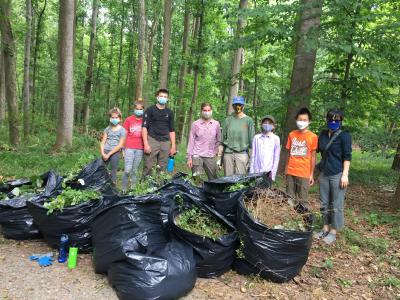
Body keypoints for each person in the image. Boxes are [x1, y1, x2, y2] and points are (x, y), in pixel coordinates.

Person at [314, 108, 352, 245]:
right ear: (327, 119)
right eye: (331, 119)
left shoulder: (345, 136)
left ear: (341, 121)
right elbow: (315, 150)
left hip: (338, 174)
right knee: (324, 202)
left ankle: (333, 232)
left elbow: (347, 157)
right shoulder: (323, 134)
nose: (333, 121)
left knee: (336, 203)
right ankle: (325, 228)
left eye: (337, 119)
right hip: (324, 173)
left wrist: (345, 175)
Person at [285, 107, 318, 205]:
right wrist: (286, 168)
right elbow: (288, 153)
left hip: (304, 173)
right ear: (296, 120)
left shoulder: (313, 137)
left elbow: (313, 156)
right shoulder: (291, 134)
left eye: (305, 120)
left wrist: (311, 174)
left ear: (309, 121)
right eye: (300, 120)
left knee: (303, 201)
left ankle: (303, 218)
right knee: (290, 198)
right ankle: (290, 217)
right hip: (291, 171)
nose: (302, 122)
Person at [142, 88, 176, 177]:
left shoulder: (170, 112)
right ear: (157, 97)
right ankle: (144, 188)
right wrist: (146, 144)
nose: (163, 98)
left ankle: (159, 187)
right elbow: (144, 128)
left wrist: (173, 146)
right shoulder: (150, 110)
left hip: (165, 141)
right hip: (152, 139)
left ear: (167, 99)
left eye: (165, 97)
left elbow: (172, 130)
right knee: (148, 166)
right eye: (161, 96)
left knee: (162, 167)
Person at [187, 103, 222, 180]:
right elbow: (191, 141)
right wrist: (189, 158)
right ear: (201, 111)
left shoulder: (216, 124)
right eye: (205, 110)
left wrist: (216, 151)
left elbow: (219, 139)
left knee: (214, 179)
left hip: (210, 155)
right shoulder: (195, 124)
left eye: (209, 110)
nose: (207, 112)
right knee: (196, 179)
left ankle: (212, 192)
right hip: (197, 155)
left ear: (211, 111)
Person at [222, 96, 255, 176]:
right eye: (236, 104)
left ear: (243, 106)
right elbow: (222, 139)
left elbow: (252, 141)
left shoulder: (248, 121)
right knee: (227, 178)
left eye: (239, 104)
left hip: (242, 153)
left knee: (240, 180)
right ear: (233, 106)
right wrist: (219, 157)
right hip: (228, 153)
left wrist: (251, 159)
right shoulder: (228, 120)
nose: (238, 107)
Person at [122, 101, 145, 191]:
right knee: (127, 169)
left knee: (135, 170)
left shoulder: (145, 120)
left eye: (140, 109)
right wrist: (122, 149)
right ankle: (123, 188)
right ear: (134, 109)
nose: (139, 110)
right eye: (137, 109)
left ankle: (133, 189)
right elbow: (124, 134)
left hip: (140, 148)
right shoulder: (128, 120)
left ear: (143, 110)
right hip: (129, 148)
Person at [100, 107, 126, 185]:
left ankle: (113, 186)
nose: (114, 119)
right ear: (110, 118)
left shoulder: (122, 130)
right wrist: (103, 153)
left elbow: (120, 145)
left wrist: (109, 154)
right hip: (105, 151)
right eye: (112, 117)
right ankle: (101, 184)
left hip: (115, 152)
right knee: (102, 169)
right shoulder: (107, 129)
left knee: (113, 170)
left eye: (116, 117)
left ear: (120, 118)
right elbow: (102, 143)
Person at [249, 115, 280, 181]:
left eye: (269, 123)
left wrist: (273, 174)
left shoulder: (276, 139)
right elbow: (253, 156)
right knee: (255, 190)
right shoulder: (256, 138)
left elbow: (276, 157)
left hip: (268, 171)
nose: (267, 125)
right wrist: (251, 173)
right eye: (265, 123)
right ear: (262, 124)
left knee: (266, 190)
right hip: (256, 171)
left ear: (273, 126)